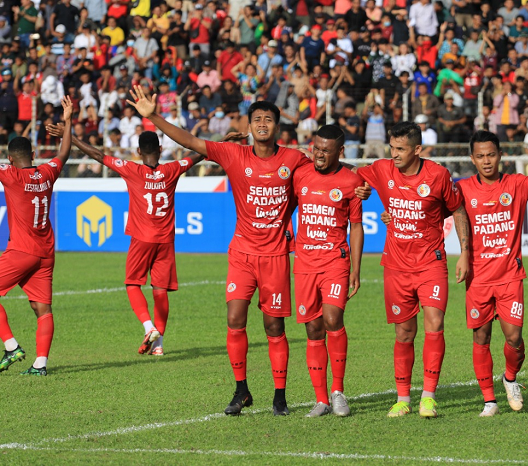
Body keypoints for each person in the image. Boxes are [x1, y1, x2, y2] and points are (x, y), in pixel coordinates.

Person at [126, 86, 370, 416]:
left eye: (268, 119)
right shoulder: (234, 154)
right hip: (241, 253)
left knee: (274, 327)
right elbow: (191, 142)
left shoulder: (294, 160)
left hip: (276, 258)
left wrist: (359, 184)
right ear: (248, 127)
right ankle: (241, 390)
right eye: (256, 119)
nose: (262, 124)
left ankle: (280, 395)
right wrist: (153, 116)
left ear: (277, 126)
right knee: (234, 318)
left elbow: (330, 164)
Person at [45, 124, 205, 356]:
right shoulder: (173, 169)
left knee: (132, 284)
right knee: (160, 291)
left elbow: (99, 155)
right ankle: (159, 346)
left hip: (142, 238)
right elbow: (196, 156)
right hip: (166, 240)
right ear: (160, 149)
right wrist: (221, 144)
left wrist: (72, 138)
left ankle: (149, 327)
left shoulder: (132, 169)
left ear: (138, 152)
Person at [359, 122, 469, 418]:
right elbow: (355, 178)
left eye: (400, 149)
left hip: (430, 263)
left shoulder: (437, 175)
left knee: (435, 323)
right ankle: (403, 398)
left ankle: (429, 397)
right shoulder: (382, 169)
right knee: (404, 332)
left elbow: (457, 208)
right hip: (395, 265)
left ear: (417, 150)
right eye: (391, 148)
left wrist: (464, 254)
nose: (394, 154)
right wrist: (363, 189)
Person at [456, 130, 528, 417]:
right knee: (481, 337)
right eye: (480, 156)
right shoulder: (464, 188)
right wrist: (392, 217)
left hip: (510, 276)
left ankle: (509, 378)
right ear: (472, 159)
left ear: (500, 156)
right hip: (478, 279)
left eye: (491, 155)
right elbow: (432, 211)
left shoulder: (516, 184)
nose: (486, 161)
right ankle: (489, 401)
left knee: (514, 337)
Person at [293, 125, 364, 417]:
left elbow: (356, 226)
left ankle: (338, 392)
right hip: (305, 264)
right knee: (313, 328)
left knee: (333, 318)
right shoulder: (300, 174)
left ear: (340, 152)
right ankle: (320, 399)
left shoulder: (352, 181)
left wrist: (356, 270)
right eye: (316, 148)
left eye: (326, 150)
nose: (319, 154)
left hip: (336, 261)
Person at [0, 96, 73, 376]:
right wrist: (67, 121)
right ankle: (40, 365)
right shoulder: (46, 173)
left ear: (10, 159)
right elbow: (64, 153)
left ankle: (11, 346)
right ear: (32, 154)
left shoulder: (11, 176)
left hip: (21, 250)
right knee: (43, 309)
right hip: (45, 252)